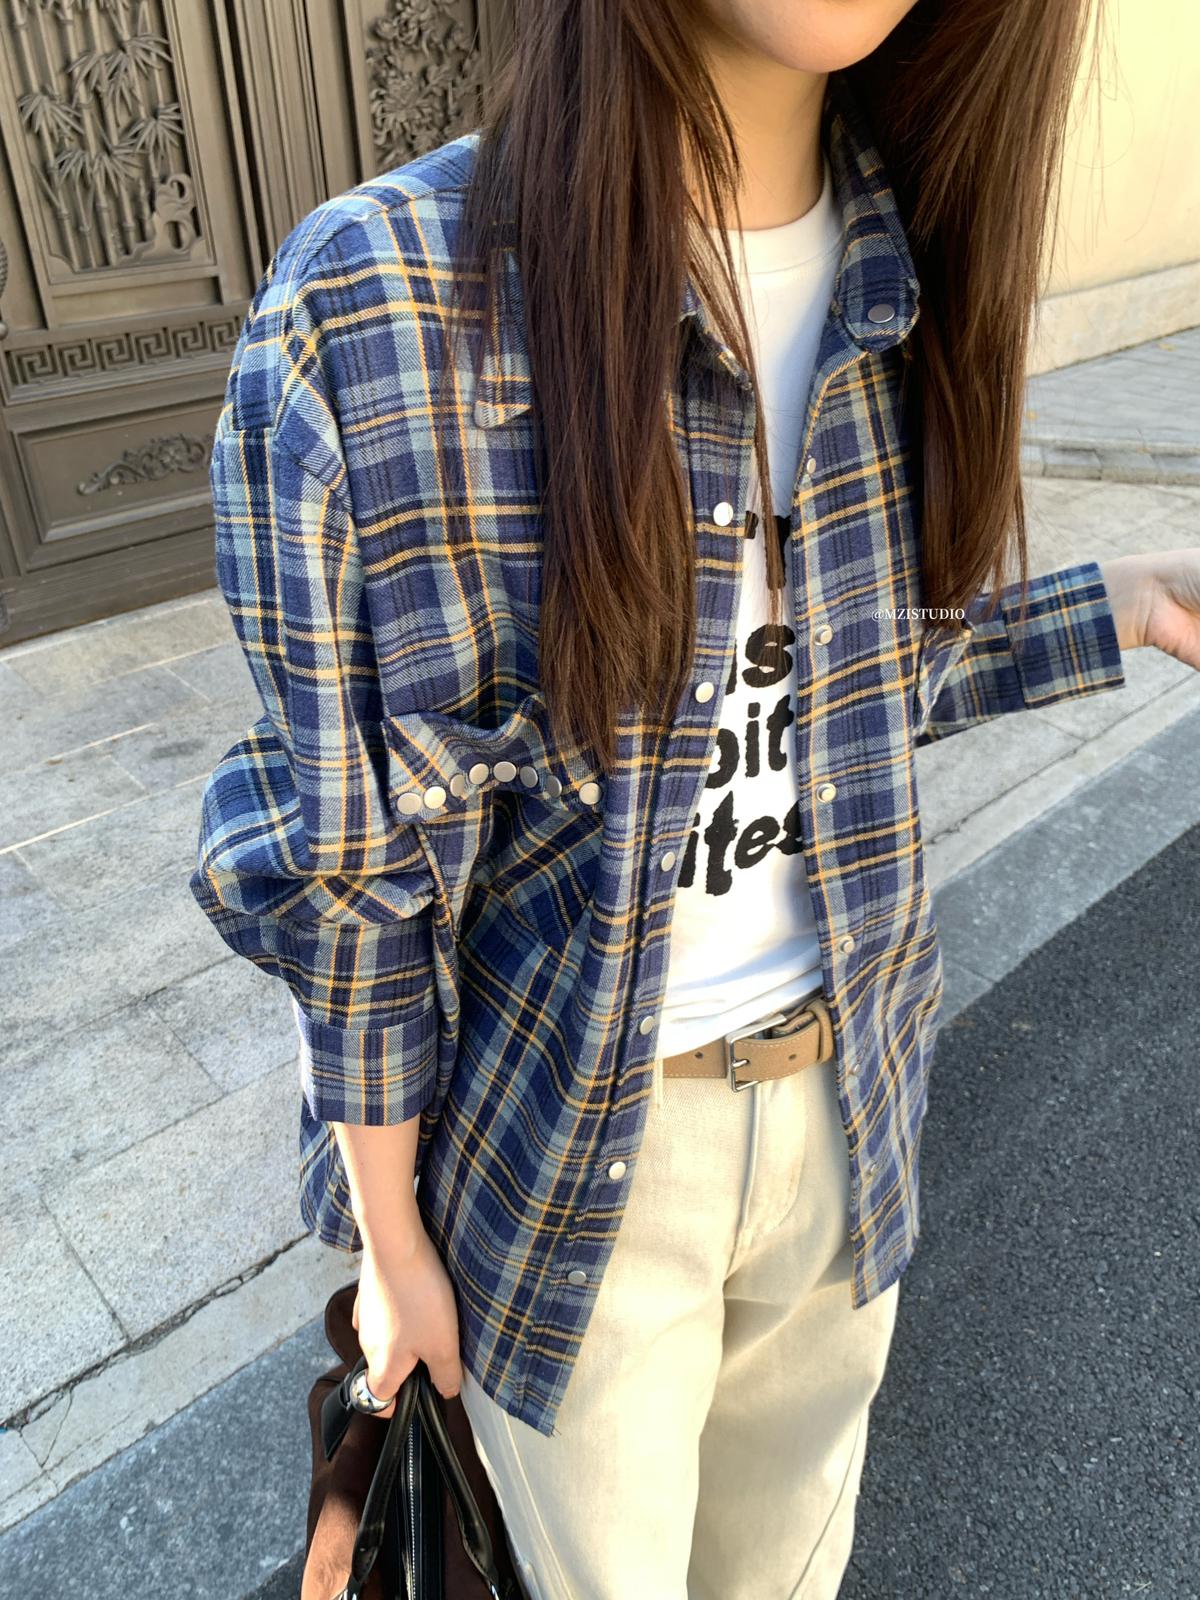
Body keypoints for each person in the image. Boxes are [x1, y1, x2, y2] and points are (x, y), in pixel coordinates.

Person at [190, 1, 1200, 1594]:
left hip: (854, 1105)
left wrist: (1122, 599)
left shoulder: (912, 258)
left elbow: (847, 686)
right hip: (579, 1167)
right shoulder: (377, 307)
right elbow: (350, 872)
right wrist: (390, 1248)